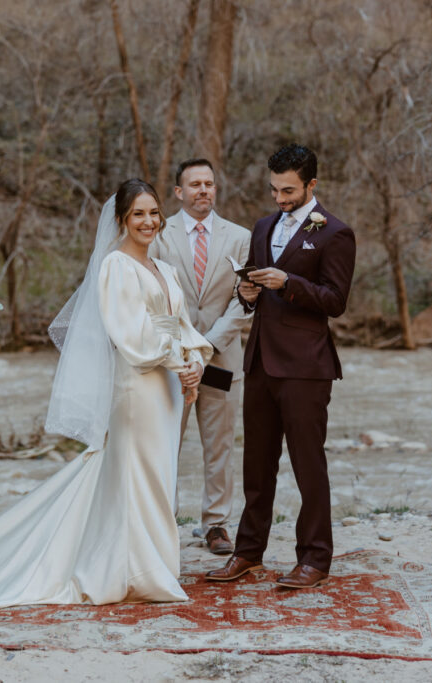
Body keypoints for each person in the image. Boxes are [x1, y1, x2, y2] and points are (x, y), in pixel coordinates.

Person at [0, 179, 212, 608]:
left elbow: (180, 326)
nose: (149, 221)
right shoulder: (115, 266)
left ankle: (154, 565)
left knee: (160, 474)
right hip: (137, 386)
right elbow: (130, 333)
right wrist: (176, 360)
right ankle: (139, 572)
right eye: (138, 214)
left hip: (168, 386)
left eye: (154, 213)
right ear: (121, 220)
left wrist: (194, 363)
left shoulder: (166, 270)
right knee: (141, 475)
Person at [206, 143, 356, 589]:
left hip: (306, 366)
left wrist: (289, 282)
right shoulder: (262, 226)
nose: (279, 198)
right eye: (274, 189)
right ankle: (248, 553)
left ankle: (314, 558)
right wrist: (246, 295)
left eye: (288, 190)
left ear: (312, 184)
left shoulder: (335, 233)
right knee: (256, 465)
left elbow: (335, 301)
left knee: (308, 466)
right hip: (260, 363)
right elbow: (253, 293)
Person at [148, 158, 252, 555]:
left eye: (209, 183)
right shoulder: (159, 235)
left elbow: (244, 302)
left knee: (220, 445)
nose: (203, 190)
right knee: (165, 443)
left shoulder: (240, 237)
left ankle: (216, 526)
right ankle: (162, 521)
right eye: (194, 184)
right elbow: (154, 300)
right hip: (172, 361)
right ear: (179, 192)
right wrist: (183, 352)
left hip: (222, 358)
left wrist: (205, 347)